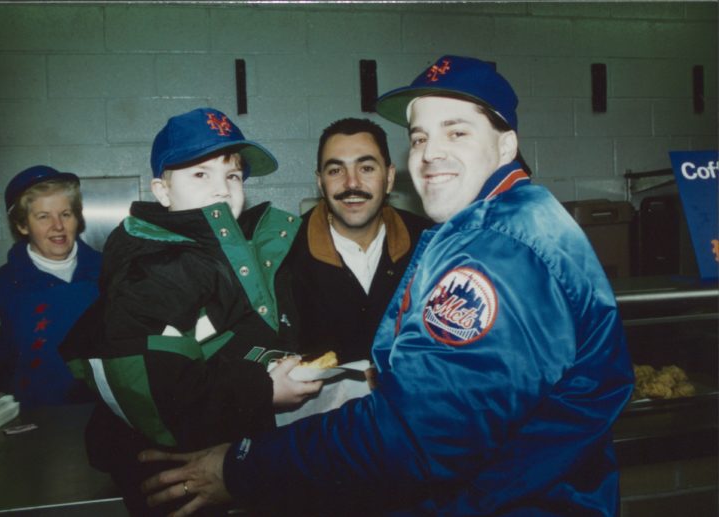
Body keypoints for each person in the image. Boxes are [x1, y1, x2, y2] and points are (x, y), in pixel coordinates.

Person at [139, 56, 634, 516]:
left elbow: (417, 437)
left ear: (507, 145)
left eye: (456, 132)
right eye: (419, 138)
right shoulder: (507, 223)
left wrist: (242, 466)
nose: (431, 153)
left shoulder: (495, 251)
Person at [59, 107, 321, 516]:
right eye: (200, 174)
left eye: (232, 176)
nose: (222, 189)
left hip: (232, 455)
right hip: (169, 473)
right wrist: (265, 390)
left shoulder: (244, 253)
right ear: (163, 192)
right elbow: (155, 390)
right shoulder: (152, 266)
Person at [291, 118, 430, 363]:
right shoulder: (285, 251)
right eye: (335, 170)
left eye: (366, 168)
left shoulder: (431, 243)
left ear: (389, 178)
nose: (352, 183)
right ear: (320, 183)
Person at [0, 165, 101, 407]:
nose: (58, 226)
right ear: (22, 226)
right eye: (43, 217)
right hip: (35, 422)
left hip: (105, 416)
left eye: (66, 214)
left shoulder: (111, 273)